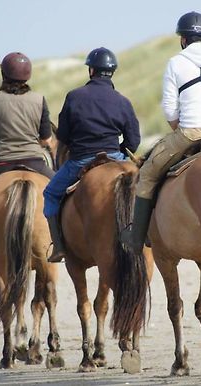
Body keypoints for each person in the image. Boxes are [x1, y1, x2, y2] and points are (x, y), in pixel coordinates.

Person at [121, 11, 201, 252]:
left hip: (190, 132)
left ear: (183, 39)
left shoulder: (176, 62)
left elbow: (170, 109)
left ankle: (137, 238)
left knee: (147, 173)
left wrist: (183, 127)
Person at [43, 47, 141, 262]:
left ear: (91, 71)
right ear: (112, 72)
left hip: (81, 160)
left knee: (50, 194)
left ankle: (58, 247)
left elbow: (65, 136)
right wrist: (119, 150)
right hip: (116, 157)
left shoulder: (74, 96)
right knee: (146, 191)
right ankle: (145, 237)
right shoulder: (123, 101)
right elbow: (134, 141)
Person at [0, 52, 55, 273]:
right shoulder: (39, 99)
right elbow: (45, 138)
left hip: (0, 166)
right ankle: (62, 245)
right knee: (67, 193)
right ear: (28, 75)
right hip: (35, 162)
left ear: (3, 73)